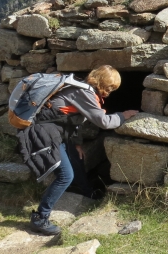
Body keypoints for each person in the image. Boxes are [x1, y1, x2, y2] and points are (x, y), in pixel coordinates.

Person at [26, 65, 138, 235]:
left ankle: (86, 193)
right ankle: (40, 217)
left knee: (75, 157)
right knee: (65, 176)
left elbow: (74, 119)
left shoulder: (81, 88)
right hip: (44, 134)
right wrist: (124, 115)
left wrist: (77, 143)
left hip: (55, 132)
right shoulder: (85, 93)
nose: (110, 91)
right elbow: (104, 122)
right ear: (103, 83)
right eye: (111, 87)